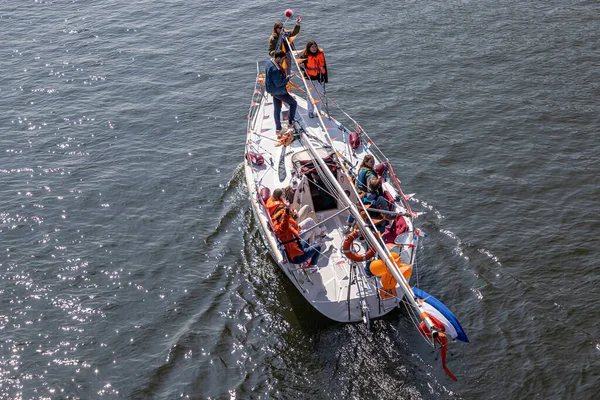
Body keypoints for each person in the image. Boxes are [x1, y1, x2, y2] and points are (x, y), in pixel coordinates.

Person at [265, 50, 298, 134]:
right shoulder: (275, 70)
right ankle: (290, 122)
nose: (283, 61)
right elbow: (278, 83)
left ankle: (278, 129)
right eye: (282, 59)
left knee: (277, 108)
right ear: (278, 58)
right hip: (278, 91)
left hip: (271, 89)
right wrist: (287, 78)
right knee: (293, 103)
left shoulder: (269, 62)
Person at [299, 40, 328, 118]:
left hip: (319, 77)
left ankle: (318, 110)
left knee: (319, 94)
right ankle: (310, 111)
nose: (314, 48)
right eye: (312, 47)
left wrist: (325, 77)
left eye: (315, 46)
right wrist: (302, 66)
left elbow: (324, 65)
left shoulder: (320, 54)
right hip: (309, 78)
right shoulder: (305, 55)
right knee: (311, 94)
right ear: (309, 48)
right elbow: (301, 66)